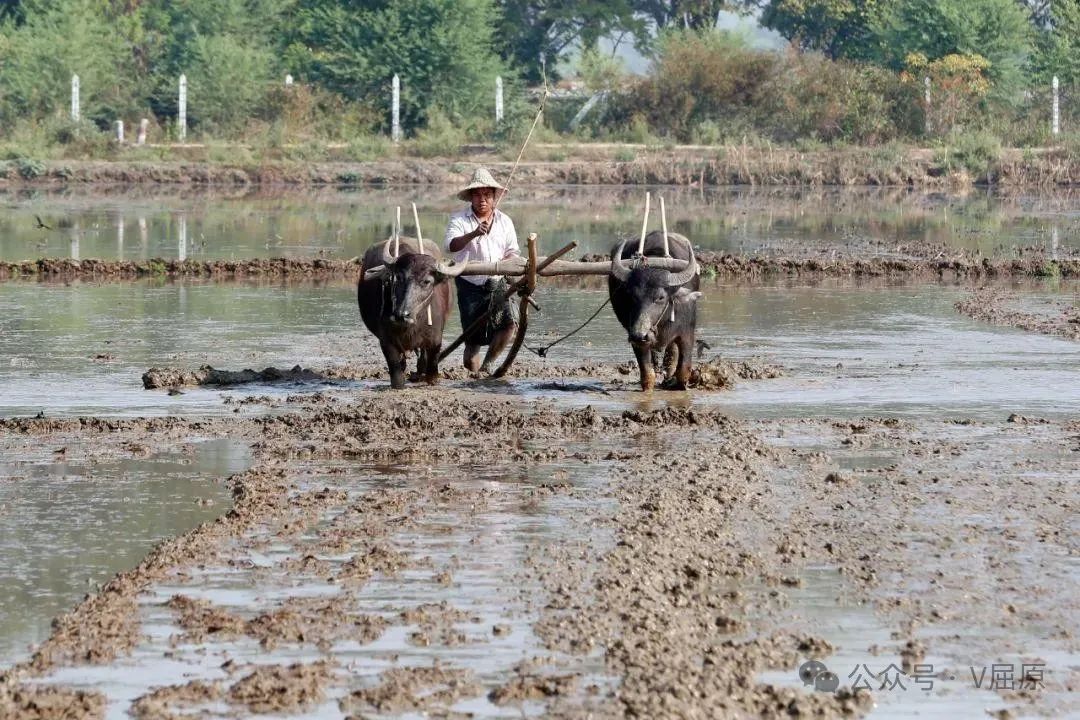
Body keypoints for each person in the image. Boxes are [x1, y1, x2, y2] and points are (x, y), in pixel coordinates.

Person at [444, 167, 521, 373]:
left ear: (494, 197)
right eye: (477, 195)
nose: (482, 200)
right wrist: (473, 234)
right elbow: (450, 246)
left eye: (487, 194)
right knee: (472, 348)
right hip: (470, 286)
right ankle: (475, 373)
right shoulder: (459, 219)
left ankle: (488, 365)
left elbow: (512, 252)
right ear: (471, 197)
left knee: (510, 324)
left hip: (498, 283)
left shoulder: (504, 221)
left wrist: (509, 267)